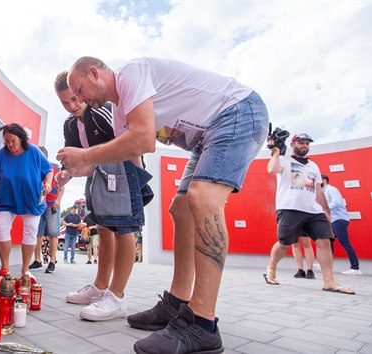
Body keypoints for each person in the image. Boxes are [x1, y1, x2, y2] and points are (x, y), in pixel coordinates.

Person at [58, 56, 270, 354]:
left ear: (94, 73)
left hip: (238, 110)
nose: (79, 99)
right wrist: (73, 170)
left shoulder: (130, 74)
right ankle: (177, 303)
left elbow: (144, 140)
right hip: (206, 137)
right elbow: (125, 153)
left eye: (79, 91)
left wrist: (85, 155)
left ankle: (202, 323)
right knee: (180, 208)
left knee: (203, 197)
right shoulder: (120, 115)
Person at [53, 71, 139, 322]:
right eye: (64, 103)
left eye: (74, 99)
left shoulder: (102, 111)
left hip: (124, 170)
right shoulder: (69, 124)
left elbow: (129, 139)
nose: (72, 106)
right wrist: (64, 175)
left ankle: (117, 296)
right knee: (103, 228)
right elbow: (72, 160)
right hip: (97, 175)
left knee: (124, 228)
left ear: (81, 93)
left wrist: (136, 178)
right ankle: (100, 287)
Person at [264, 132, 355, 297]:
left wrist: (326, 210)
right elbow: (271, 169)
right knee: (284, 243)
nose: (304, 146)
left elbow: (318, 189)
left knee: (325, 241)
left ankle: (328, 281)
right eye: (301, 143)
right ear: (292, 144)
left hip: (314, 210)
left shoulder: (314, 166)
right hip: (290, 207)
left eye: (307, 143)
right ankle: (271, 268)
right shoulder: (284, 160)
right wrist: (276, 151)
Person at [0, 123, 53, 279]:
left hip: (31, 200)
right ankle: (5, 269)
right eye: (7, 141)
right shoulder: (1, 154)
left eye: (13, 141)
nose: (10, 144)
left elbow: (48, 169)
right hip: (6, 199)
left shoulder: (34, 151)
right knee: (1, 229)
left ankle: (25, 270)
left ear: (22, 139)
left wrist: (48, 183)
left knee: (30, 232)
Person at [29, 146, 64, 273]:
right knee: (37, 233)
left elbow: (62, 186)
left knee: (53, 233)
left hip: (52, 205)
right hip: (38, 205)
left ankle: (52, 261)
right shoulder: (33, 168)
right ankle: (38, 260)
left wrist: (58, 200)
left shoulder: (55, 168)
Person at [321, 174, 362, 275]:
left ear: (324, 180)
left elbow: (337, 202)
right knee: (329, 241)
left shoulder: (331, 189)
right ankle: (327, 263)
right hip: (333, 220)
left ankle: (355, 268)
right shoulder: (324, 192)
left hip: (339, 219)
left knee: (345, 242)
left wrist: (324, 208)